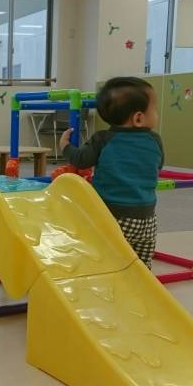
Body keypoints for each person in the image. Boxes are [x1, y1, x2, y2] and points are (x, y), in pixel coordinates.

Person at [58, 77, 164, 268]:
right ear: (138, 118)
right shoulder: (154, 140)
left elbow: (81, 159)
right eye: (154, 110)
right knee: (140, 266)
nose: (156, 114)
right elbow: (158, 165)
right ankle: (140, 283)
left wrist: (65, 146)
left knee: (105, 259)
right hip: (147, 218)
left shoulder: (103, 139)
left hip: (113, 216)